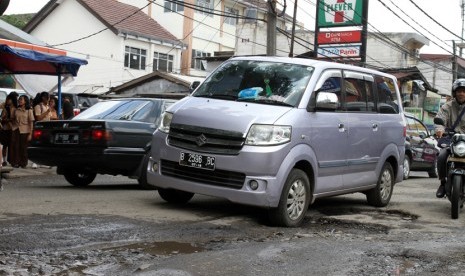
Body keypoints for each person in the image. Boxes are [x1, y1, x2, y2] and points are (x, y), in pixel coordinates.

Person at [434, 78, 465, 198]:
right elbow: (439, 119)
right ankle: (442, 183)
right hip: (451, 139)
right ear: (454, 93)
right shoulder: (447, 106)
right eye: (458, 91)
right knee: (442, 156)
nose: (461, 93)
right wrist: (440, 130)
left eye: (463, 91)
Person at [11, 95, 34, 168]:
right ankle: (16, 162)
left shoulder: (29, 110)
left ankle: (24, 163)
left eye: (21, 99)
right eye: (19, 99)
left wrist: (30, 134)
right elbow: (13, 119)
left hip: (25, 131)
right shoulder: (17, 109)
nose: (19, 101)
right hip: (16, 130)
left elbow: (31, 122)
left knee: (23, 148)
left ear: (25, 101)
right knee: (16, 147)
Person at [0, 93, 18, 166]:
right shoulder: (5, 109)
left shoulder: (17, 109)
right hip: (6, 129)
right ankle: (4, 160)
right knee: (5, 145)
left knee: (12, 146)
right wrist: (7, 119)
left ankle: (11, 160)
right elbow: (1, 119)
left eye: (9, 99)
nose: (7, 101)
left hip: (14, 129)